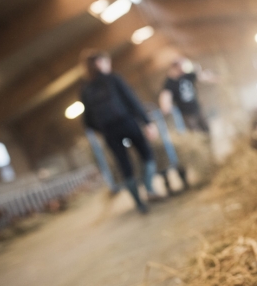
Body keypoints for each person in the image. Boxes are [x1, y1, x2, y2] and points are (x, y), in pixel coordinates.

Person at [80, 50, 159, 213]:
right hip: (127, 123)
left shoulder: (85, 89)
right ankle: (149, 189)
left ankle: (139, 204)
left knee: (124, 165)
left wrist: (101, 130)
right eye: (106, 62)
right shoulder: (113, 79)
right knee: (147, 154)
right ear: (99, 63)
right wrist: (147, 122)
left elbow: (87, 120)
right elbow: (132, 100)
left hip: (109, 131)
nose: (108, 65)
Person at [159, 58, 215, 133]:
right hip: (186, 113)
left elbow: (202, 76)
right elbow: (165, 95)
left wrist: (211, 77)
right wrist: (165, 105)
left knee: (206, 129)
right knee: (196, 133)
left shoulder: (187, 76)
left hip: (196, 108)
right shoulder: (170, 82)